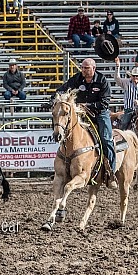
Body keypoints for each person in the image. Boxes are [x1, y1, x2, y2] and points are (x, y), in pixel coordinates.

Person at [48, 58, 117, 188]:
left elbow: (104, 103)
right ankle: (63, 169)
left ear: (93, 68)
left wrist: (88, 105)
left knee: (106, 139)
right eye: (83, 68)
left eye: (87, 68)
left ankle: (110, 172)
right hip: (81, 113)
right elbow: (63, 89)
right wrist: (53, 98)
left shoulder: (102, 81)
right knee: (68, 133)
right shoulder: (77, 79)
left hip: (99, 114)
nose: (84, 70)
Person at [114, 57, 138, 130]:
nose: (135, 77)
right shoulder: (127, 82)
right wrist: (117, 67)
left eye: (137, 76)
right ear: (131, 76)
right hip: (129, 109)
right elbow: (117, 79)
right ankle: (122, 135)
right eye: (133, 76)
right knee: (124, 123)